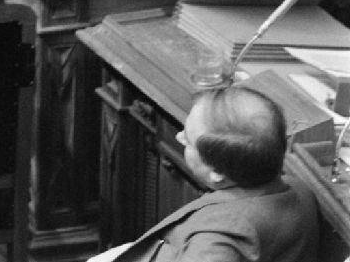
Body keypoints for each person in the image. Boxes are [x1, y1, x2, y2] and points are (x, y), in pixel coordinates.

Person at [90, 86, 318, 262]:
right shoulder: (296, 187)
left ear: (217, 172)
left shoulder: (220, 239)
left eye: (188, 140)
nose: (179, 137)